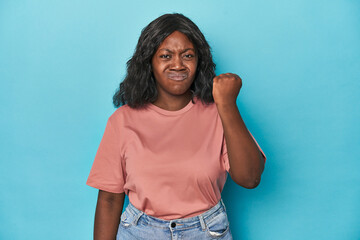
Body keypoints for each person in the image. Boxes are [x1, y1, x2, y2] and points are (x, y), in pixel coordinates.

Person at [86, 13, 267, 240]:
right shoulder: (122, 121)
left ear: (199, 60)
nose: (178, 64)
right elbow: (110, 198)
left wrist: (227, 104)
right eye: (165, 55)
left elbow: (250, 178)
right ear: (149, 61)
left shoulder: (219, 113)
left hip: (207, 232)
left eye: (187, 55)